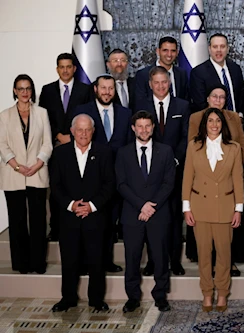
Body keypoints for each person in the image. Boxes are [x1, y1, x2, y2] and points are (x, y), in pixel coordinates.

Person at [50, 114, 114, 312]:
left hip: (95, 216)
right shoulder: (60, 154)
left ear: (93, 131)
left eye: (87, 130)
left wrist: (92, 206)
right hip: (69, 217)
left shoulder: (104, 152)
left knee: (96, 261)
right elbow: (56, 186)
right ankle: (67, 298)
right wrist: (71, 205)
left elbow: (109, 184)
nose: (84, 134)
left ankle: (96, 300)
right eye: (80, 129)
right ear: (72, 131)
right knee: (69, 261)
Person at [182, 107, 244, 312]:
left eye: (218, 121)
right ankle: (207, 293)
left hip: (225, 208)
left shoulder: (234, 148)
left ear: (222, 124)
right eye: (210, 121)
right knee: (204, 254)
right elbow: (187, 178)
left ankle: (223, 293)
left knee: (224, 255)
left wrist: (239, 209)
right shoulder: (194, 146)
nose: (214, 124)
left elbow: (238, 180)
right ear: (204, 124)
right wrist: (186, 208)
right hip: (200, 208)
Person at [71, 74, 132, 273]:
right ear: (96, 89)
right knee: (89, 223)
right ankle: (83, 263)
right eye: (103, 88)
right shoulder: (82, 111)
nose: (107, 92)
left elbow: (128, 145)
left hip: (116, 178)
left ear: (115, 91)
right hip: (89, 177)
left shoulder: (125, 113)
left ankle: (105, 261)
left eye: (110, 88)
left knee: (109, 221)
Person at [116, 110, 174, 313]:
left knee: (160, 257)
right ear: (133, 128)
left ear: (153, 128)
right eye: (139, 126)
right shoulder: (123, 153)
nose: (144, 130)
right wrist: (142, 205)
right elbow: (121, 184)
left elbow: (168, 183)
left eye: (147, 126)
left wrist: (151, 206)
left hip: (159, 214)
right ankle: (132, 298)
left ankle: (161, 296)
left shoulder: (165, 151)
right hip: (133, 214)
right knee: (132, 258)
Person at [187, 84, 244, 274]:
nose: (218, 100)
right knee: (205, 233)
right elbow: (193, 148)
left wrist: (230, 164)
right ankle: (206, 263)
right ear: (208, 99)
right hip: (204, 183)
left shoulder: (234, 118)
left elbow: (243, 145)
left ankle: (229, 263)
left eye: (222, 97)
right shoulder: (196, 118)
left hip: (229, 179)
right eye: (215, 96)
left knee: (228, 230)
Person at [136, 65, 190, 276]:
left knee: (175, 218)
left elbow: (186, 136)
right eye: (156, 82)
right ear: (150, 85)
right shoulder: (141, 105)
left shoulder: (183, 106)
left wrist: (174, 160)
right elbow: (140, 135)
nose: (160, 86)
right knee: (152, 217)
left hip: (175, 170)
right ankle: (152, 261)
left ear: (170, 83)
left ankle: (174, 261)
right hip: (149, 173)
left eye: (164, 82)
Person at [0, 74, 52, 274]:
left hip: (37, 173)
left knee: (39, 221)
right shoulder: (4, 116)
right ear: (14, 91)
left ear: (32, 90)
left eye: (28, 88)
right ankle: (21, 263)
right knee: (17, 220)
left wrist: (38, 164)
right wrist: (17, 166)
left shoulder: (42, 113)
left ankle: (38, 263)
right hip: (13, 174)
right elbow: (2, 145)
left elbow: (47, 143)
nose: (24, 92)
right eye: (20, 89)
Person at [39, 53, 91, 240]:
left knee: (77, 184)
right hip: (55, 146)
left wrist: (73, 136)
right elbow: (42, 118)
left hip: (78, 145)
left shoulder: (85, 90)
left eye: (69, 66)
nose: (66, 70)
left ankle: (78, 220)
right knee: (56, 187)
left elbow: (87, 116)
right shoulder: (47, 90)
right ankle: (56, 227)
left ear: (74, 68)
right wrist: (58, 135)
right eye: (62, 67)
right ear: (57, 69)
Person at [189, 33, 244, 113]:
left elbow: (241, 97)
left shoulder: (235, 69)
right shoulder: (198, 72)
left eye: (222, 46)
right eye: (215, 47)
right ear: (209, 49)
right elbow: (200, 104)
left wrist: (240, 116)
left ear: (227, 49)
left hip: (236, 121)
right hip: (213, 123)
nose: (219, 50)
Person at [135, 36, 188, 103]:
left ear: (177, 53)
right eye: (165, 50)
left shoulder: (182, 74)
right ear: (158, 51)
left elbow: (185, 102)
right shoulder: (143, 75)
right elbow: (140, 103)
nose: (169, 54)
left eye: (173, 51)